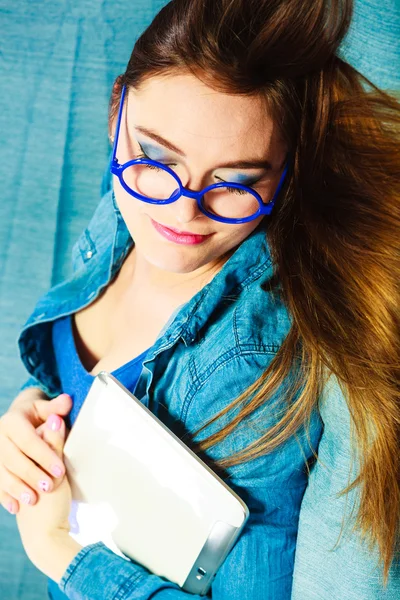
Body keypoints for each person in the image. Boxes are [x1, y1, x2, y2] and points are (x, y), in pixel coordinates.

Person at [0, 0, 399, 598]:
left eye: (236, 182)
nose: (182, 212)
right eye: (158, 159)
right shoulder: (124, 212)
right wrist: (35, 420)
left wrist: (59, 551)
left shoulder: (249, 363)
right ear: (117, 113)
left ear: (285, 171)